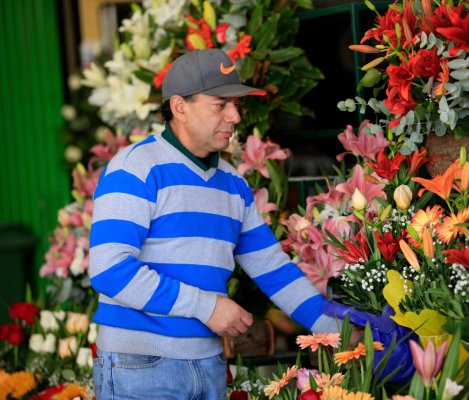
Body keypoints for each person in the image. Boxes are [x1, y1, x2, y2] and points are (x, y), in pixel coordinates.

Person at [89, 49, 343, 399]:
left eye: (236, 104)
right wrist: (206, 306)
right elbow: (109, 270)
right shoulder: (134, 168)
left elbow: (274, 269)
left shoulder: (233, 183)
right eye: (220, 105)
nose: (235, 116)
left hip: (209, 364)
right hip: (141, 366)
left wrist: (339, 333)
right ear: (180, 107)